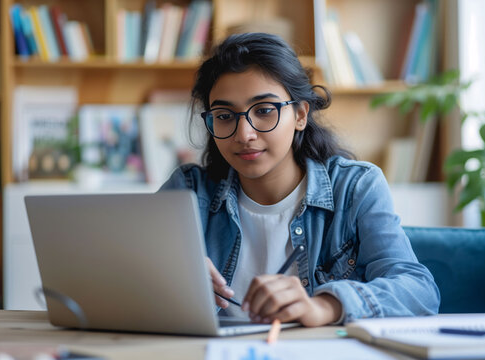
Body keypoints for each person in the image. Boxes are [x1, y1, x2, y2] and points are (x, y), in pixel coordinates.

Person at [159, 32, 440, 327]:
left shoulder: (355, 187)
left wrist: (324, 306)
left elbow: (419, 291)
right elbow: (117, 275)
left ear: (301, 115)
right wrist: (164, 273)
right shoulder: (187, 191)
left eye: (264, 110)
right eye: (225, 115)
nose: (244, 135)